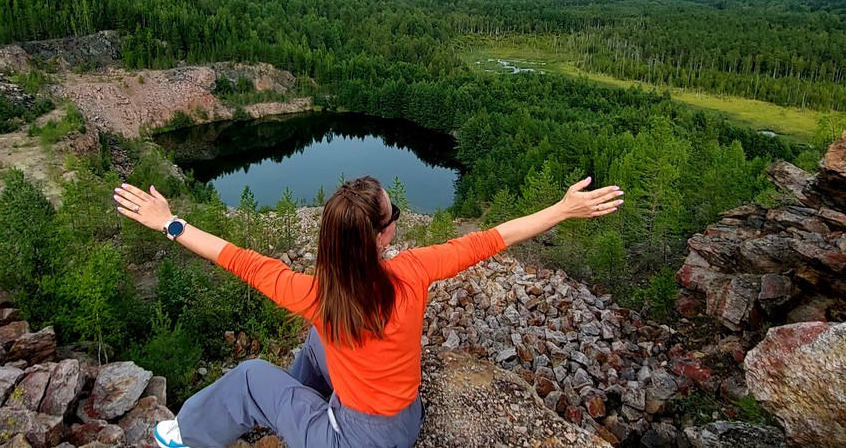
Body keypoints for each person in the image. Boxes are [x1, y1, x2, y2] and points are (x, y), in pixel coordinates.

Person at [114, 175, 624, 448]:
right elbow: (491, 239)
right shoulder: (414, 272)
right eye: (393, 212)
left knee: (250, 377)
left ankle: (187, 436)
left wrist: (171, 223)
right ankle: (290, 413)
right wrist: (563, 209)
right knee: (318, 340)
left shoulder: (319, 296)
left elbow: (239, 260)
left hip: (352, 440)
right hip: (404, 422)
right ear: (382, 235)